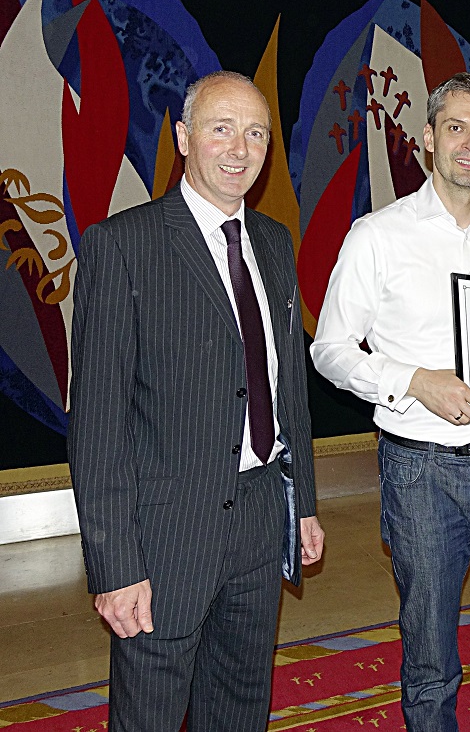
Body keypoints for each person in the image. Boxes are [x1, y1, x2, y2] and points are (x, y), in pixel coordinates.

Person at [311, 72, 470, 731]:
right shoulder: (378, 234)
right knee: (430, 664)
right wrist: (412, 379)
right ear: (428, 137)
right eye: (456, 128)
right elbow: (330, 349)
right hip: (421, 472)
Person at [68, 70, 325, 731]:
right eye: (221, 129)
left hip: (260, 522)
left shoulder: (273, 243)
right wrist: (114, 565)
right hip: (165, 539)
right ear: (184, 137)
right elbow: (96, 425)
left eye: (256, 134)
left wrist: (302, 507)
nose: (239, 149)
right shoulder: (122, 246)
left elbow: (285, 387)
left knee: (240, 710)